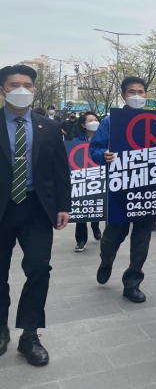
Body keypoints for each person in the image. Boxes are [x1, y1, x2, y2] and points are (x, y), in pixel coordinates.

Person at [0, 65, 70, 367]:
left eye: (27, 84)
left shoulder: (49, 127)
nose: (21, 89)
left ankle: (30, 334)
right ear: (2, 89)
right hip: (2, 209)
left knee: (39, 269)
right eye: (14, 84)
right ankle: (1, 328)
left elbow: (60, 171)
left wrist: (64, 206)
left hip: (37, 209)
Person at [90, 76, 152, 304]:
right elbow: (94, 148)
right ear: (124, 95)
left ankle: (132, 282)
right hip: (120, 188)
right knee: (112, 237)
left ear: (146, 94)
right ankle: (106, 261)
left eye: (141, 91)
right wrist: (102, 156)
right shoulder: (110, 122)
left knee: (142, 239)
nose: (137, 96)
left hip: (148, 187)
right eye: (132, 92)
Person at [73, 112, 102, 251]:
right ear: (83, 125)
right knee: (82, 210)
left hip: (99, 178)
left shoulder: (104, 139)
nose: (94, 122)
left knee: (96, 205)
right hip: (82, 178)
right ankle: (81, 240)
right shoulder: (77, 141)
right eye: (90, 120)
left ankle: (95, 228)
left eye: (96, 119)